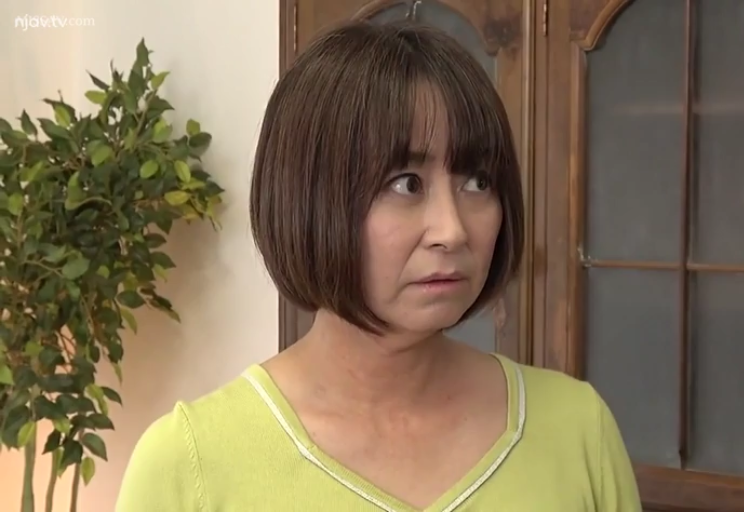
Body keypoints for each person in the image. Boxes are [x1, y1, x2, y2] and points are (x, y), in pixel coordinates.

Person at [115, 20, 641, 512]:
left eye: (477, 181)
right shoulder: (190, 465)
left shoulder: (577, 430)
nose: (453, 230)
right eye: (406, 184)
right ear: (308, 199)